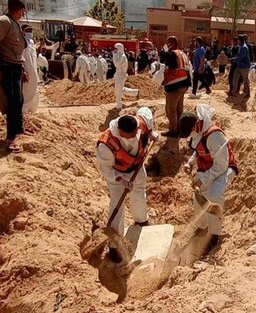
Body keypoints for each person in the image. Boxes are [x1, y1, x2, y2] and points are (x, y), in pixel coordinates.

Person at [96, 107, 159, 263]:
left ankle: (141, 220)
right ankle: (114, 244)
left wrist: (151, 133)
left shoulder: (140, 122)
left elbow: (146, 113)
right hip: (117, 173)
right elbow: (106, 169)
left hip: (136, 167)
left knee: (139, 193)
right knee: (118, 203)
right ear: (119, 131)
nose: (133, 137)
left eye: (135, 133)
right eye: (129, 136)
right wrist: (121, 180)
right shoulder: (106, 144)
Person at [179, 104, 239, 251]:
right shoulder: (197, 132)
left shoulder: (214, 136)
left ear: (195, 125)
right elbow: (198, 151)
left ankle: (213, 235)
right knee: (198, 199)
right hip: (207, 169)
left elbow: (221, 165)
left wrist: (203, 179)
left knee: (214, 196)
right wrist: (190, 163)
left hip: (224, 170)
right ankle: (202, 227)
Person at [0, 0, 28, 152]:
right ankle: (10, 138)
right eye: (23, 11)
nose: (24, 14)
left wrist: (22, 70)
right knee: (12, 102)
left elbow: (17, 50)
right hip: (7, 67)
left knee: (19, 100)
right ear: (19, 9)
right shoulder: (4, 21)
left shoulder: (14, 23)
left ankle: (18, 129)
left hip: (16, 67)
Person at [161, 36, 191, 137]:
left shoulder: (173, 54)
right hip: (184, 83)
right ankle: (179, 128)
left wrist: (165, 53)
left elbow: (171, 67)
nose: (166, 45)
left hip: (175, 85)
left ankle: (173, 130)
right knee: (179, 108)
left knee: (170, 109)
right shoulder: (182, 53)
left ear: (172, 44)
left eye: (167, 43)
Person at [113, 43, 140, 109]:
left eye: (116, 49)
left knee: (118, 91)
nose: (115, 50)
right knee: (119, 90)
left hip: (121, 76)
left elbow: (116, 64)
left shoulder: (122, 57)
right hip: (118, 75)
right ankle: (135, 92)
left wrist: (114, 55)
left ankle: (119, 106)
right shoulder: (119, 56)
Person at [21, 25, 39, 113]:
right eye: (28, 30)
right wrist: (23, 70)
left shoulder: (31, 42)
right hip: (26, 71)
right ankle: (24, 112)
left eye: (31, 30)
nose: (30, 32)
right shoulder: (21, 41)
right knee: (26, 91)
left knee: (35, 91)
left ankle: (32, 111)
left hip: (34, 70)